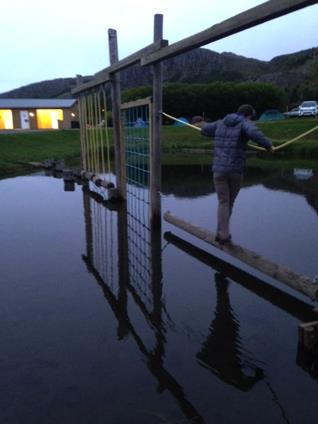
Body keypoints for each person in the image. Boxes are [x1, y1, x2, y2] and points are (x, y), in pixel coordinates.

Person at [194, 104, 273, 245]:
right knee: (229, 202)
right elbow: (255, 134)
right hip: (235, 170)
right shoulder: (244, 123)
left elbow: (205, 130)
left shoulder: (220, 122)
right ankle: (223, 234)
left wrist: (204, 127)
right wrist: (269, 146)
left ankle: (221, 232)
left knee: (223, 201)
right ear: (249, 115)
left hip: (218, 170)